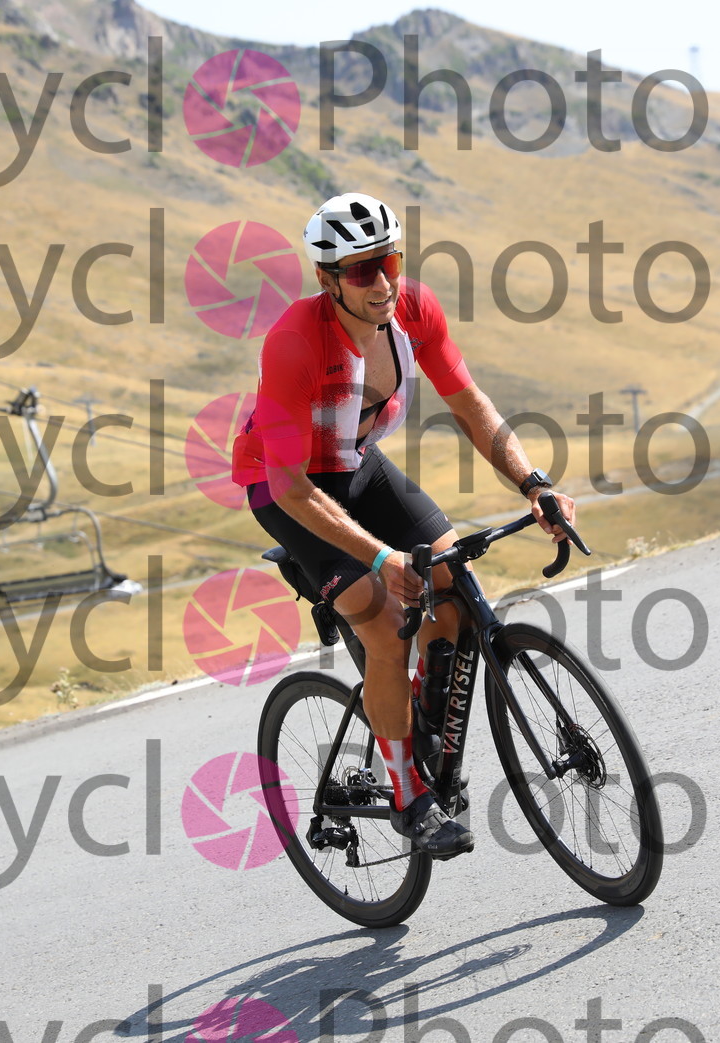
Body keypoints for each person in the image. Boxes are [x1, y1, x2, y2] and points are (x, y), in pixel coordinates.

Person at [232, 192, 575, 859]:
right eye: (362, 271)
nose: (382, 282)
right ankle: (408, 795)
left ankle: (428, 732)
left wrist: (533, 483)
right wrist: (380, 558)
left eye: (388, 261)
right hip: (288, 489)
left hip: (357, 464)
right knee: (387, 624)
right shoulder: (295, 342)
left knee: (456, 589)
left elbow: (470, 403)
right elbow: (291, 486)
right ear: (327, 279)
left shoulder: (413, 310)